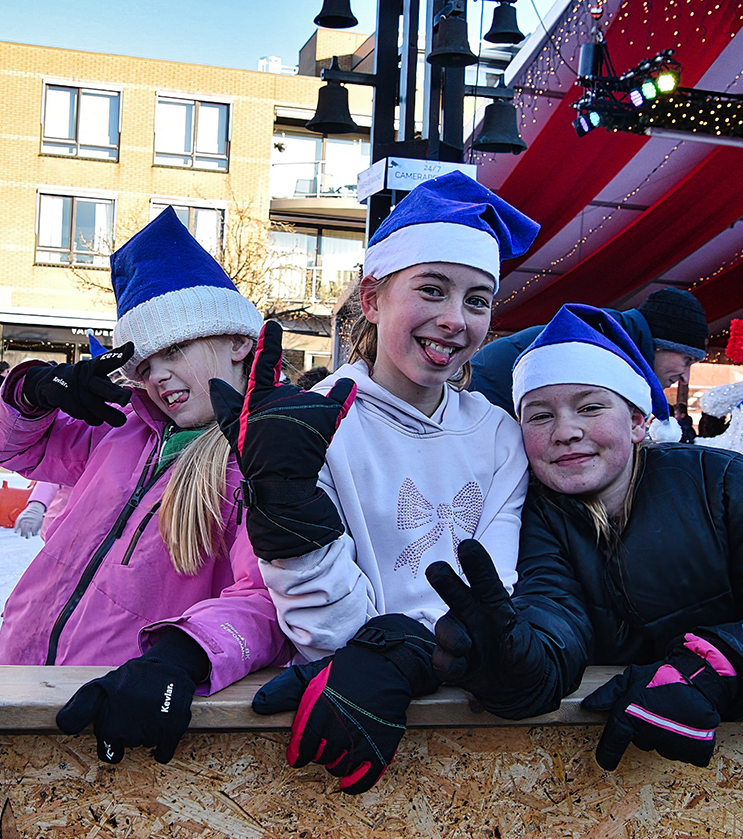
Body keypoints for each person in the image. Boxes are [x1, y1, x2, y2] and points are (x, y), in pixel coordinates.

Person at [211, 171, 540, 793]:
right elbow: (318, 614)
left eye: (476, 301)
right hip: (348, 701)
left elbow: (498, 582)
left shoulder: (498, 433)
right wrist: (382, 651)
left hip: (468, 722)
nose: (453, 319)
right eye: (432, 290)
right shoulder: (317, 424)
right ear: (371, 298)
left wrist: (449, 649)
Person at [424, 304, 743, 771]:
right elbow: (554, 614)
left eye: (590, 407)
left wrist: (710, 670)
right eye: (539, 416)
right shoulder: (536, 518)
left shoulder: (723, 484)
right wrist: (518, 659)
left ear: (636, 421)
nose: (566, 431)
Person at [0, 207, 292, 765]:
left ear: (238, 342)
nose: (159, 377)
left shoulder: (261, 455)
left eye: (174, 350)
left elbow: (269, 598)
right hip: (28, 675)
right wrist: (30, 389)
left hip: (129, 701)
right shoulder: (125, 430)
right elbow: (16, 448)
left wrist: (183, 654)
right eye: (145, 364)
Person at [468, 287, 709, 418]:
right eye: (686, 360)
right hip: (484, 407)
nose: (685, 377)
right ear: (658, 344)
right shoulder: (603, 345)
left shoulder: (611, 335)